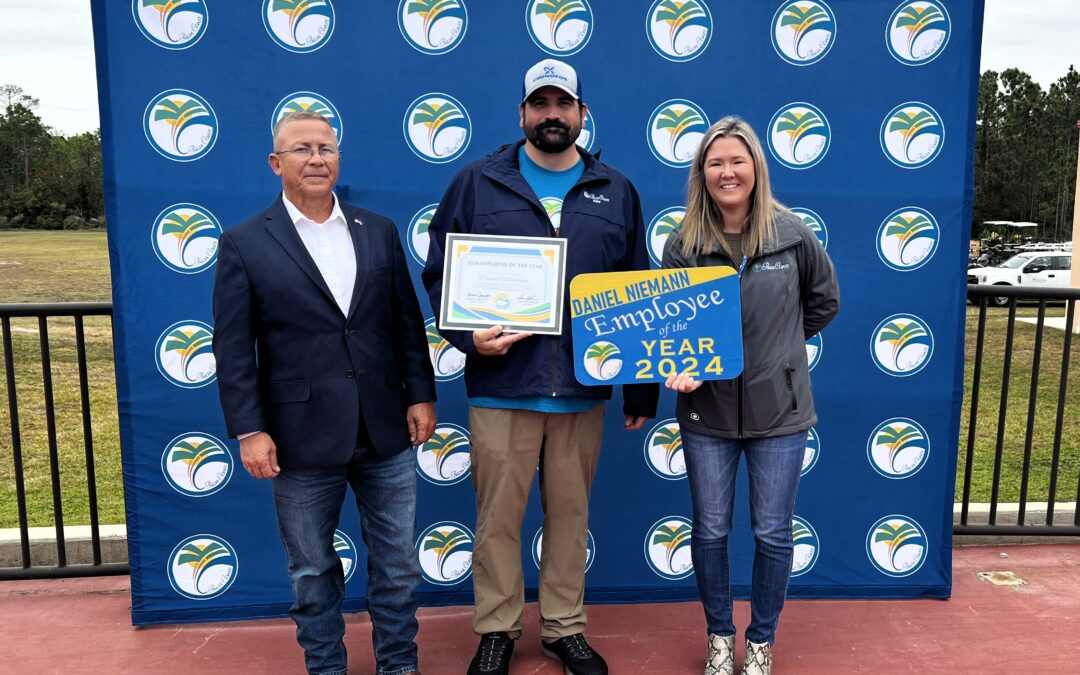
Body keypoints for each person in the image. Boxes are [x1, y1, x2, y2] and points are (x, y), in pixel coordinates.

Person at [421, 59, 658, 675]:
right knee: (497, 520)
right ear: (522, 113)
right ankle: (497, 630)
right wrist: (471, 339)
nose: (552, 115)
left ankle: (562, 628)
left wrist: (640, 391)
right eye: (540, 104)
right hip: (503, 387)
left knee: (571, 517)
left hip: (582, 387)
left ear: (582, 113)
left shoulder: (616, 190)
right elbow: (441, 274)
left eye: (564, 104)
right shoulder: (477, 183)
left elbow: (639, 293)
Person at [213, 110, 436, 675]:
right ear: (276, 163)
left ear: (339, 158)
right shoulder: (243, 242)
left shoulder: (378, 229)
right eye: (302, 149)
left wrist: (421, 395)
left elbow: (405, 322)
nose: (316, 158)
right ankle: (326, 668)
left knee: (398, 565)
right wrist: (251, 428)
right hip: (298, 437)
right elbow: (235, 348)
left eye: (326, 148)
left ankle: (399, 665)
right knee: (312, 571)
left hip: (386, 427)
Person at [661, 117, 839, 675]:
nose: (727, 171)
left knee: (773, 531)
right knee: (711, 529)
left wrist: (781, 352)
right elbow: (671, 324)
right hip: (704, 412)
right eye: (716, 163)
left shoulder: (792, 234)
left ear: (756, 167)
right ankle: (720, 636)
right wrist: (683, 365)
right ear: (702, 174)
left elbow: (823, 302)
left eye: (737, 161)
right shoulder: (683, 243)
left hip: (781, 414)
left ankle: (760, 642)